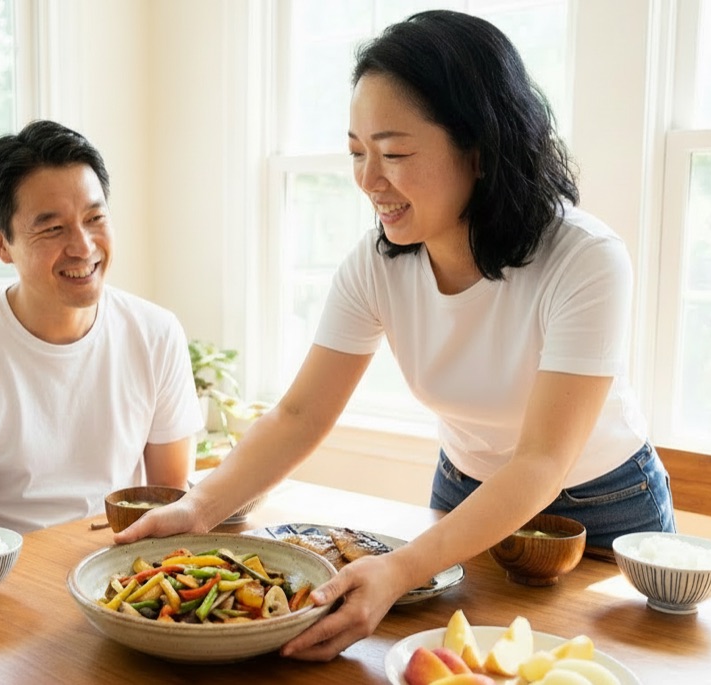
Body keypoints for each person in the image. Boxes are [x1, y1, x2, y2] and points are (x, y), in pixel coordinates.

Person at [116, 10, 676, 660]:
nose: (369, 180)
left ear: (480, 147)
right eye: (357, 152)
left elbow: (541, 460)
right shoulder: (377, 262)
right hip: (464, 490)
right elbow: (300, 413)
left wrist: (404, 567)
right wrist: (200, 505)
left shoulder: (584, 257)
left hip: (600, 506)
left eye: (395, 153)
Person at [0, 119, 202, 535]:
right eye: (53, 228)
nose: (83, 247)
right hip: (5, 583)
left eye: (95, 218)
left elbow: (169, 502)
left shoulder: (156, 333)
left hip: (123, 573)